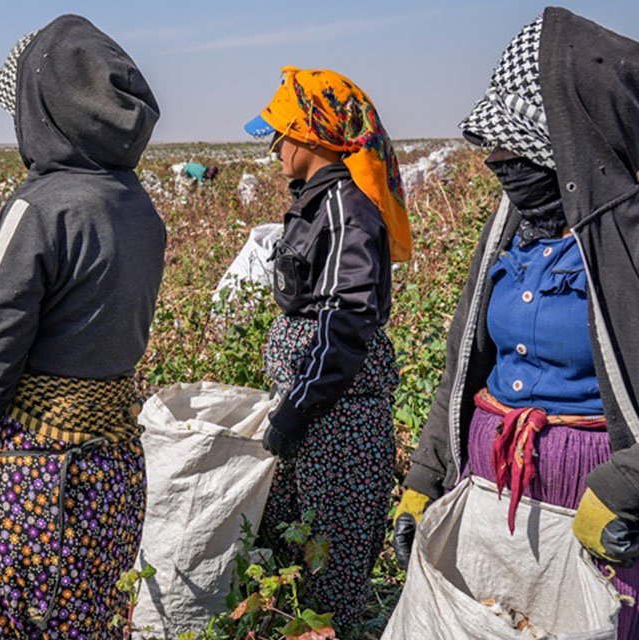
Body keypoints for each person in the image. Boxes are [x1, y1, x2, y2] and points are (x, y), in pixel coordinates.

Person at [395, 9, 639, 636]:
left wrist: (626, 487)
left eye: (514, 142)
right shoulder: (510, 229)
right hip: (489, 491)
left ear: (567, 141)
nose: (496, 158)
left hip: (590, 500)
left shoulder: (627, 242)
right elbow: (464, 364)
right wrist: (427, 473)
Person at [0, 15, 166, 637]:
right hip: (115, 470)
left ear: (46, 108)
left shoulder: (40, 207)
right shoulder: (137, 204)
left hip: (38, 478)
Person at [243, 66, 411, 633]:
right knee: (294, 567)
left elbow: (346, 322)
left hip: (335, 426)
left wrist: (294, 412)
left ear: (311, 135)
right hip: (316, 417)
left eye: (279, 134)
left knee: (327, 577)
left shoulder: (346, 209)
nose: (274, 148)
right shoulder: (317, 202)